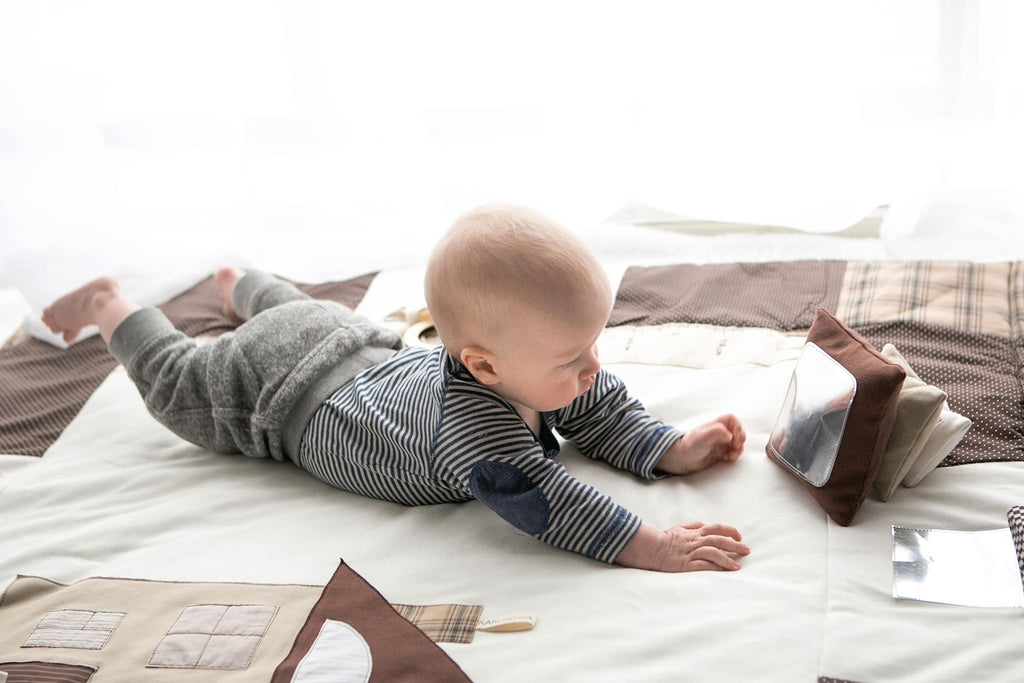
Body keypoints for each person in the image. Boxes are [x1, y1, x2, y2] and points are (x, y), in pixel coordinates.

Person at [42, 204, 750, 572]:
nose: (591, 367)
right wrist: (654, 544)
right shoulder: (481, 437)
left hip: (347, 336)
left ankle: (242, 285)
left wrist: (665, 447)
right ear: (483, 366)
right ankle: (113, 306)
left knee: (300, 311)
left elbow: (598, 408)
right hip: (283, 389)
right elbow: (554, 506)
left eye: (590, 344)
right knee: (178, 386)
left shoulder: (537, 366)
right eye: (574, 356)